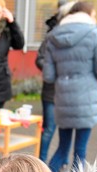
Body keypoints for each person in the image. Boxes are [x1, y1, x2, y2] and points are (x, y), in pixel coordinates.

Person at [43, 1, 97, 172]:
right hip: (86, 98)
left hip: (63, 98)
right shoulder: (95, 34)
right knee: (80, 151)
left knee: (62, 149)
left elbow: (48, 76)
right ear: (88, 15)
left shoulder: (53, 36)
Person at [36, 1, 75, 163]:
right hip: (52, 93)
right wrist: (55, 68)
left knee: (66, 133)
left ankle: (62, 164)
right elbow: (39, 59)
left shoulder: (77, 35)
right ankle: (41, 164)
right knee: (49, 130)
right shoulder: (52, 36)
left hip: (70, 94)